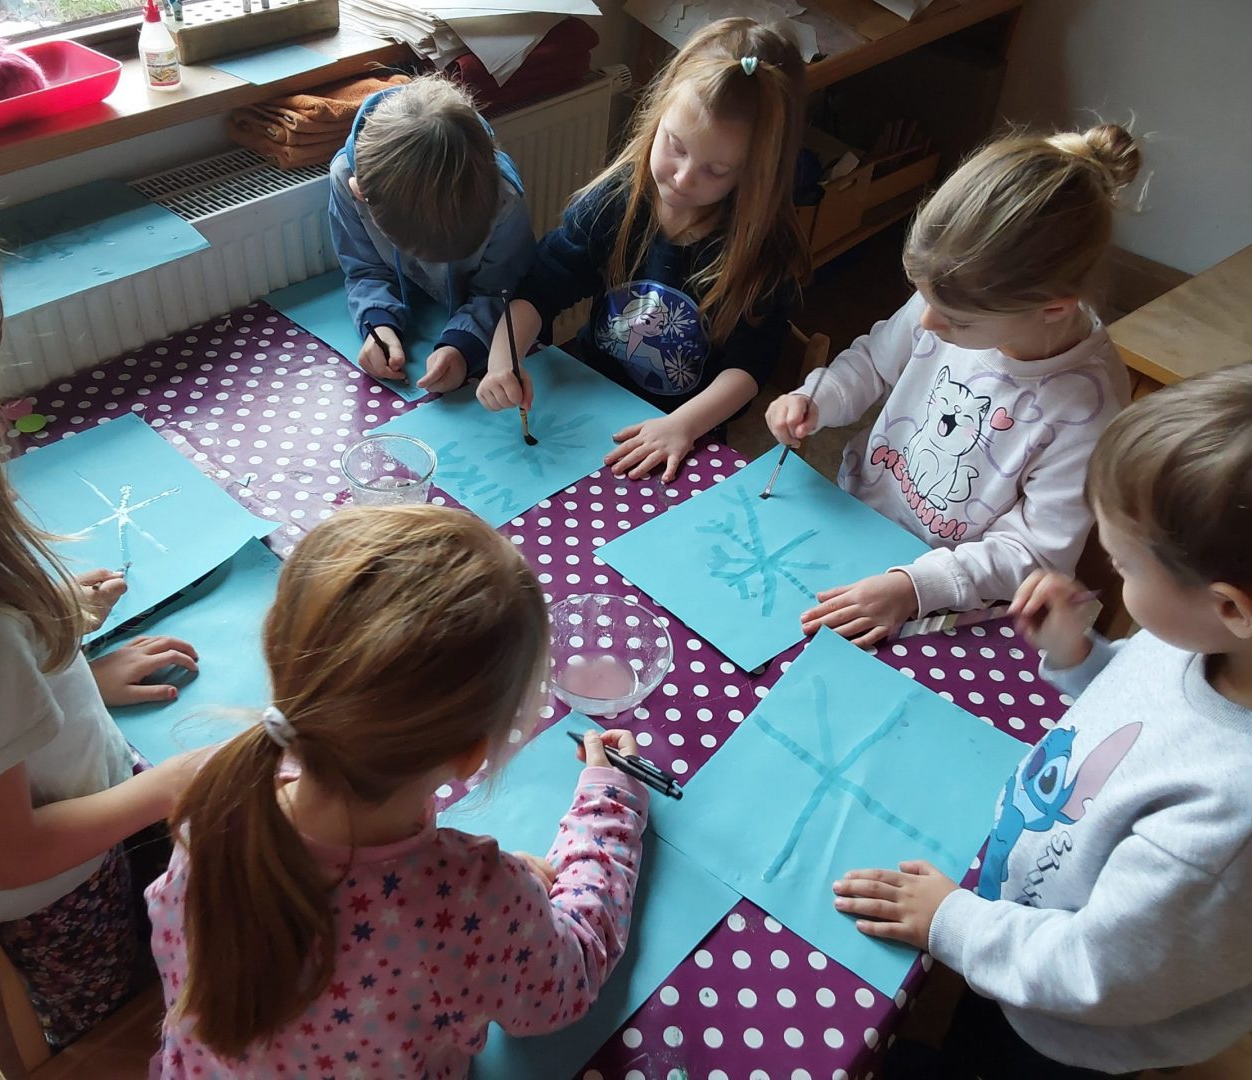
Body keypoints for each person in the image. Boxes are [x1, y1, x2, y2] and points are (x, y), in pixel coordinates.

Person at [834, 365, 1252, 1078]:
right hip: (1019, 928)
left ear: (1232, 607)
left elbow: (1096, 971)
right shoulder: (1205, 642)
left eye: (1123, 567)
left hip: (1074, 1032)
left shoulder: (1224, 828)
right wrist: (1078, 655)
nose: (1111, 576)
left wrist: (951, 923)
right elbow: (1137, 712)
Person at [148, 506, 648, 1077]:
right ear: (471, 755)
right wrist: (610, 802)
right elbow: (564, 982)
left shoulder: (217, 807)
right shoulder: (469, 900)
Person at [0, 180, 200, 1048]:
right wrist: (169, 786)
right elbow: (5, 851)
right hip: (55, 901)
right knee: (139, 1010)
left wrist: (61, 662)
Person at [766, 125, 1140, 645]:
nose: (927, 325)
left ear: (1053, 308)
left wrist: (912, 588)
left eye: (956, 321)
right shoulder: (952, 296)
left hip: (952, 594)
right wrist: (817, 398)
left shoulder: (1086, 405)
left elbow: (1034, 553)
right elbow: (874, 362)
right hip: (859, 523)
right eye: (924, 301)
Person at [478, 17, 810, 483]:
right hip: (592, 403)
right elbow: (540, 287)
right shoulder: (617, 200)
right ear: (658, 117)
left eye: (716, 170)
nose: (683, 176)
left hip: (685, 436)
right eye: (675, 145)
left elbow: (748, 369)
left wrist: (682, 426)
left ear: (756, 172)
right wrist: (502, 360)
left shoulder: (761, 252)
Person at [329, 76, 536, 394]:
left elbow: (502, 290)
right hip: (425, 321)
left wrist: (462, 346)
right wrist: (378, 324)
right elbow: (365, 269)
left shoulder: (503, 199)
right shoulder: (346, 178)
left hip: (498, 337)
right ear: (360, 194)